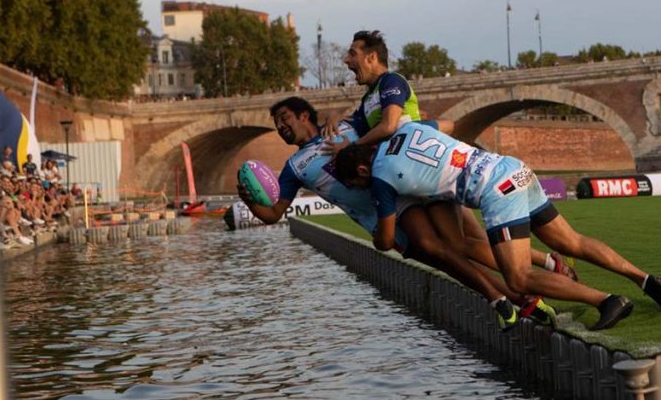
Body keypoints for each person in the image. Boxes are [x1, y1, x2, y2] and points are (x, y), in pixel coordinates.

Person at [239, 97, 572, 330]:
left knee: (450, 246)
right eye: (276, 123)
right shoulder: (292, 168)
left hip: (411, 189)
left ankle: (506, 296)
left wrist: (338, 117)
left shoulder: (347, 126)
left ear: (303, 115)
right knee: (448, 255)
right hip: (380, 215)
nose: (280, 126)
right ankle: (524, 293)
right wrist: (248, 198)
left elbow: (390, 122)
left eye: (284, 118)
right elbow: (273, 214)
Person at [333, 122, 661, 331]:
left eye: (356, 185)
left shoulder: (378, 178)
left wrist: (377, 229)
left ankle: (606, 300)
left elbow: (388, 238)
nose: (361, 189)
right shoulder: (408, 128)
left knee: (518, 277)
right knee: (572, 241)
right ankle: (646, 280)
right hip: (511, 166)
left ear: (362, 172)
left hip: (496, 191)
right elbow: (449, 124)